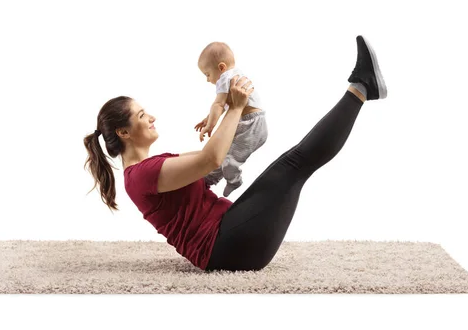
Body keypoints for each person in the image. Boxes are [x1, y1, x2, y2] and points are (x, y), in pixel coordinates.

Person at [83, 35, 387, 272]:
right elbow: (210, 160)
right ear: (123, 133)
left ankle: (362, 88)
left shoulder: (151, 167)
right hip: (226, 248)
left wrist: (238, 119)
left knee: (293, 166)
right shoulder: (141, 175)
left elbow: (212, 164)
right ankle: (361, 87)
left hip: (230, 235)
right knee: (293, 165)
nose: (151, 118)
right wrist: (237, 107)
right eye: (141, 115)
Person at [194, 41, 268, 197]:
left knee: (228, 161)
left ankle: (235, 180)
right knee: (221, 153)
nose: (208, 80)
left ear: (221, 67)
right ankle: (208, 179)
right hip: (249, 124)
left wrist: (210, 126)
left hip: (251, 126)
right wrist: (208, 119)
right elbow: (226, 104)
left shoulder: (225, 77)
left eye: (207, 74)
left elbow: (218, 104)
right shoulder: (236, 74)